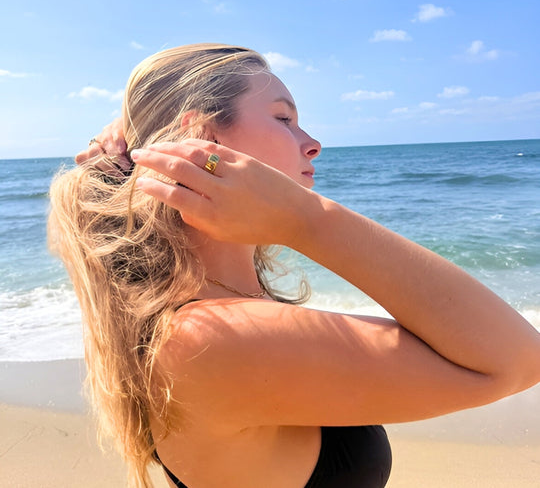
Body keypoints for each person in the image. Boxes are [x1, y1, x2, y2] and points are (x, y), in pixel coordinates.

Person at [50, 43, 540, 488]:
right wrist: (306, 220)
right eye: (284, 119)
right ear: (201, 137)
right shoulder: (208, 338)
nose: (312, 142)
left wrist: (134, 135)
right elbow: (516, 360)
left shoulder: (204, 311)